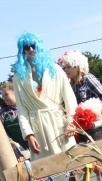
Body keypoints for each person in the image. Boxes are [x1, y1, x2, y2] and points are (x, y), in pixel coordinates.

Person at [12, 32, 77, 160]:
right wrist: (29, 135)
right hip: (38, 131)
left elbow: (69, 98)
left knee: (72, 162)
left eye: (33, 45)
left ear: (39, 45)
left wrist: (71, 122)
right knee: (46, 168)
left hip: (60, 125)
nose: (31, 49)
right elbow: (21, 110)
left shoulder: (55, 69)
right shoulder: (18, 78)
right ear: (22, 51)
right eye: (27, 47)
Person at [0, 78, 30, 154]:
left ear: (14, 92)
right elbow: (2, 131)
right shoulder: (3, 113)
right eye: (3, 96)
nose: (4, 98)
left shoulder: (27, 107)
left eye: (6, 94)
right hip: (19, 150)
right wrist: (12, 143)